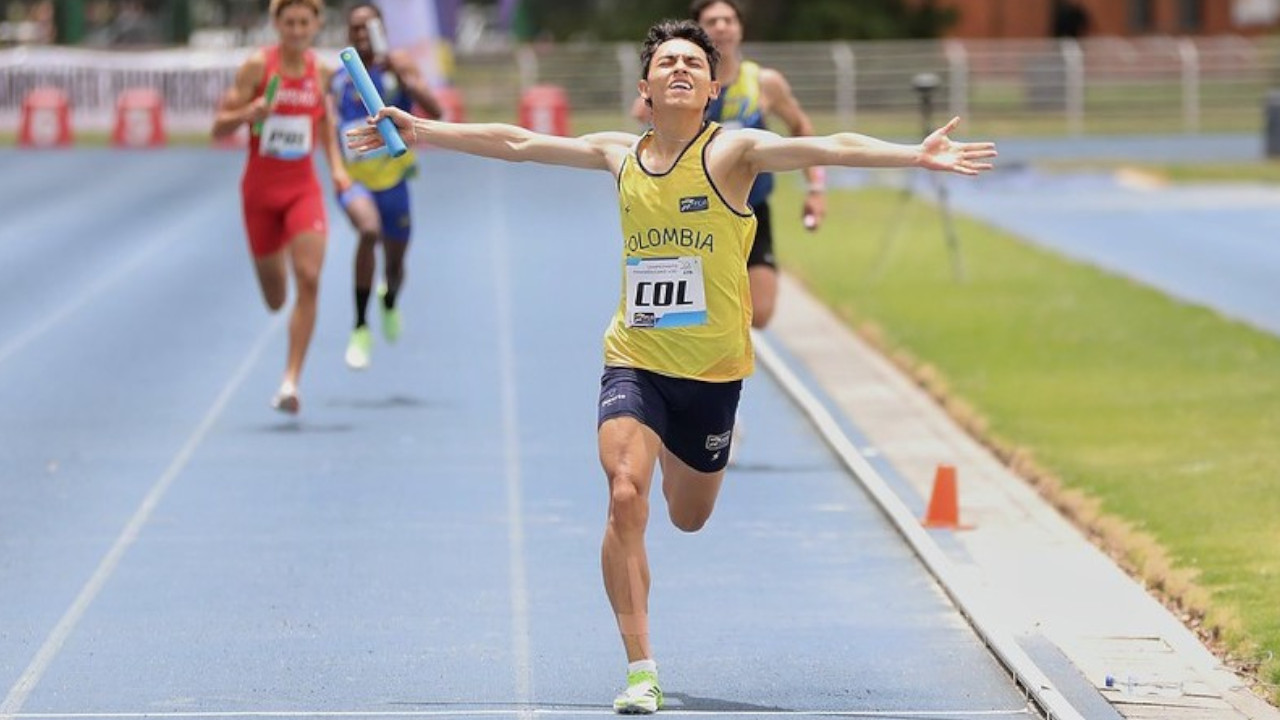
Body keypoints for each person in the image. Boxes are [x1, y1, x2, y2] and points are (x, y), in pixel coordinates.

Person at [348, 19, 994, 714]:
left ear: (713, 88)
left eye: (693, 62)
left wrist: (915, 154)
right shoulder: (619, 154)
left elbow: (828, 144)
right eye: (667, 61)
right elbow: (519, 142)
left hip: (713, 374)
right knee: (626, 491)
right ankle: (641, 667)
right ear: (645, 88)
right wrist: (422, 128)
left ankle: (681, 490)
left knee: (687, 516)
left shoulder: (734, 152)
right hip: (636, 357)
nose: (681, 68)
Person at [631, 0, 826, 330]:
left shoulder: (764, 83)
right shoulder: (678, 83)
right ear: (697, 31)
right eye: (712, 21)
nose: (721, 27)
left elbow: (801, 127)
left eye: (728, 20)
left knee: (760, 312)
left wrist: (816, 187)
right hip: (692, 215)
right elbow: (643, 118)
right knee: (681, 314)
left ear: (740, 29)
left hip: (750, 209)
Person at [212, 0, 348, 414]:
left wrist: (337, 168)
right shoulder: (258, 67)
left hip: (302, 189)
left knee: (310, 277)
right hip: (260, 193)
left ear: (316, 25)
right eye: (289, 22)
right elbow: (218, 128)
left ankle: (291, 381)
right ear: (276, 24)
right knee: (276, 298)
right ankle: (282, 250)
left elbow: (325, 125)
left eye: (304, 22)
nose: (296, 30)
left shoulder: (321, 72)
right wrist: (247, 113)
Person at [331, 1, 442, 370]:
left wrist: (404, 78)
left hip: (394, 180)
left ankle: (389, 299)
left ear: (383, 30)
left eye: (370, 27)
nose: (362, 34)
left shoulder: (399, 65)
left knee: (395, 266)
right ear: (348, 33)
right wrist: (337, 169)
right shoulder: (339, 75)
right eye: (355, 28)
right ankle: (360, 327)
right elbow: (328, 126)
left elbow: (436, 111)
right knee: (368, 232)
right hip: (355, 181)